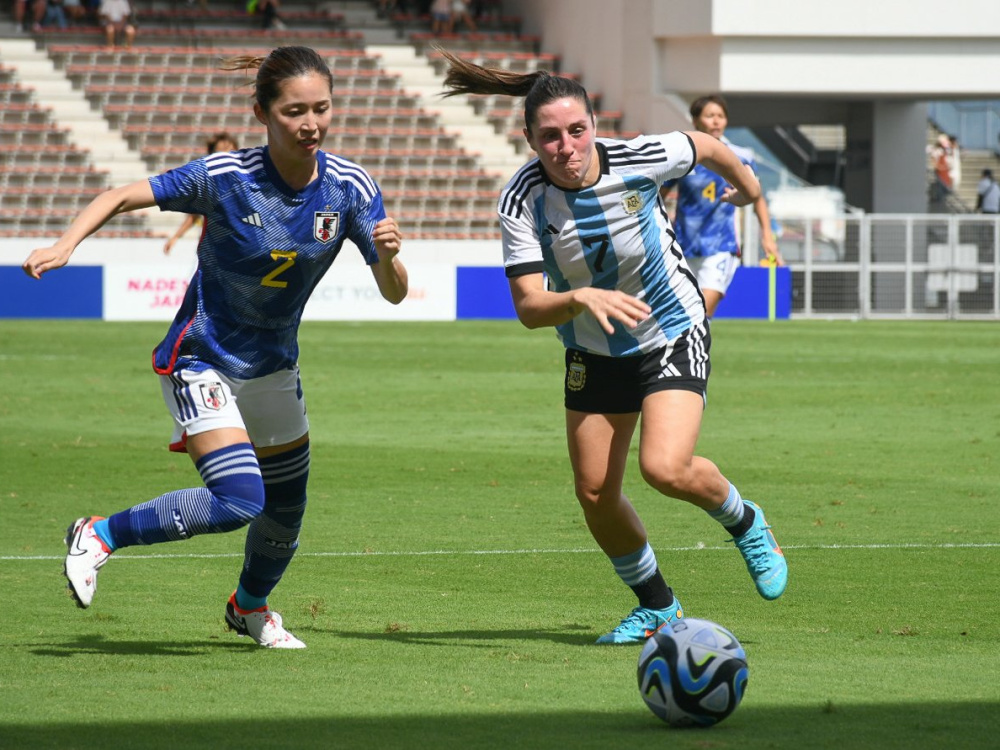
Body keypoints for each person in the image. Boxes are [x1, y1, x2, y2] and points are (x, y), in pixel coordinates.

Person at [22, 46, 409, 649]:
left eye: (322, 109)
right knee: (239, 499)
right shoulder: (225, 177)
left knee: (285, 510)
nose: (311, 123)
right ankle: (100, 533)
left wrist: (388, 255)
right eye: (294, 111)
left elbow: (393, 294)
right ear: (262, 112)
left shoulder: (350, 188)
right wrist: (66, 243)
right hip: (201, 355)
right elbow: (122, 195)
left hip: (275, 366)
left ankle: (248, 609)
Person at [440, 52, 787, 645]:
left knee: (665, 467)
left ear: (594, 126)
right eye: (549, 136)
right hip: (592, 350)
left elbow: (706, 144)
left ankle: (745, 520)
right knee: (596, 493)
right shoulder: (520, 202)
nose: (566, 147)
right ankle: (657, 605)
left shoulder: (642, 157)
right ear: (529, 138)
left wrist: (749, 188)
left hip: (670, 329)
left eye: (577, 131)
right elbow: (528, 305)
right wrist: (579, 299)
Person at [660, 94, 783, 318]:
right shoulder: (683, 157)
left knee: (700, 312)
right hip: (683, 246)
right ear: (695, 120)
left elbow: (758, 198)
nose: (716, 121)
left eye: (721, 116)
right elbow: (659, 195)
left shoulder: (741, 156)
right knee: (684, 317)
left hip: (721, 245)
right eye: (710, 116)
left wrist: (767, 235)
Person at [162, 132, 240, 255]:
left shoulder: (248, 182)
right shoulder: (209, 185)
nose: (226, 157)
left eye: (230, 152)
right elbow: (193, 216)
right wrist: (175, 237)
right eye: (220, 153)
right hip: (215, 253)